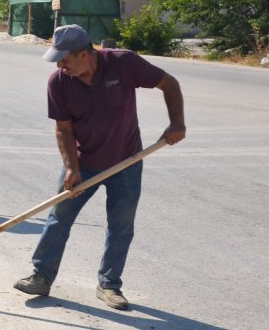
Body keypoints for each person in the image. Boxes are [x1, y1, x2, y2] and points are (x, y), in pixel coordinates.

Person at [14, 24, 186, 311]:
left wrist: (177, 122)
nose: (60, 65)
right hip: (84, 163)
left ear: (84, 54)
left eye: (65, 58)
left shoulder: (124, 63)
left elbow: (170, 84)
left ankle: (109, 285)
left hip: (127, 161)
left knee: (121, 226)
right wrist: (71, 168)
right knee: (59, 217)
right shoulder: (59, 82)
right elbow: (64, 130)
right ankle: (42, 275)